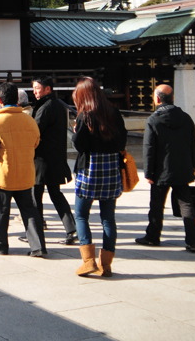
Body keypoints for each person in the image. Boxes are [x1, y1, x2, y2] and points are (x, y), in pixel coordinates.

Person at [0, 82, 45, 257]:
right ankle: (38, 246)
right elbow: (36, 142)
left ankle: (0, 245)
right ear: (17, 99)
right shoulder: (29, 120)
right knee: (29, 211)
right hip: (25, 172)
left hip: (3, 174)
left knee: (2, 212)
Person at [71, 77, 126, 277]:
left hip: (90, 169)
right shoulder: (113, 112)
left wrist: (75, 132)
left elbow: (79, 145)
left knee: (81, 214)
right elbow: (122, 141)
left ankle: (88, 261)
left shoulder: (85, 115)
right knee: (108, 219)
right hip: (111, 168)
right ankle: (106, 265)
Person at [135, 84, 195, 253]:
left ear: (157, 99)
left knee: (156, 205)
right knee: (186, 204)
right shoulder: (186, 118)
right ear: (173, 98)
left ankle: (153, 236)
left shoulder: (153, 119)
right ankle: (192, 240)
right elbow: (192, 144)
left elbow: (149, 148)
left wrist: (148, 172)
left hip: (160, 170)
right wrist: (192, 166)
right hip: (182, 167)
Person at [31, 76, 77, 245]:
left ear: (48, 89)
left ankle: (37, 232)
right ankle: (71, 229)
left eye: (37, 88)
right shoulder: (57, 105)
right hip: (55, 156)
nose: (35, 91)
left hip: (42, 158)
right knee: (55, 193)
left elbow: (35, 129)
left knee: (36, 194)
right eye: (34, 88)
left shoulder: (46, 106)